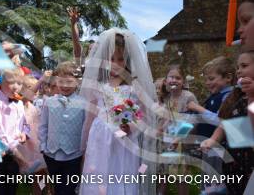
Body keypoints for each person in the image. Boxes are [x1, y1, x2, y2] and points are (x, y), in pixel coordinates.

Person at [79, 28, 157, 195]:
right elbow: (90, 116)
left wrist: (131, 127)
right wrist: (84, 144)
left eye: (120, 59)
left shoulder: (134, 86)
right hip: (100, 138)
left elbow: (143, 114)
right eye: (111, 59)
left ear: (127, 60)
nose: (115, 64)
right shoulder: (98, 84)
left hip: (124, 139)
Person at [201, 51, 254, 194]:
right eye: (238, 67)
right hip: (235, 160)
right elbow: (224, 122)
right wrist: (213, 139)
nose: (239, 71)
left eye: (244, 66)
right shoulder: (234, 96)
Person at [187, 56, 235, 194]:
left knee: (218, 184)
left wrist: (198, 108)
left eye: (212, 79)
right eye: (206, 79)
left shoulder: (229, 96)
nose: (207, 83)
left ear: (228, 77)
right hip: (209, 147)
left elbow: (221, 120)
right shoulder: (214, 97)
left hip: (221, 148)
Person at [39, 61, 85, 195]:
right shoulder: (49, 102)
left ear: (77, 82)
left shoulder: (83, 103)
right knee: (57, 188)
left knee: (67, 190)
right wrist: (43, 145)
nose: (65, 86)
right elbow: (43, 126)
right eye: (61, 81)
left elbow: (85, 128)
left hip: (73, 155)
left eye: (69, 82)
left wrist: (83, 150)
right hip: (51, 154)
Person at [158, 64, 198, 195]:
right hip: (167, 140)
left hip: (182, 141)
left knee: (181, 174)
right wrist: (160, 129)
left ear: (183, 82)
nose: (174, 80)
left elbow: (193, 119)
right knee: (164, 172)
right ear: (166, 80)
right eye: (171, 77)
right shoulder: (166, 98)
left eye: (178, 78)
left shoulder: (188, 97)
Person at [0, 68, 27, 195]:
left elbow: (24, 124)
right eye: (11, 82)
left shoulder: (19, 103)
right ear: (1, 82)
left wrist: (24, 133)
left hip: (15, 155)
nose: (16, 87)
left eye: (19, 83)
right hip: (0, 154)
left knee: (12, 189)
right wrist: (13, 150)